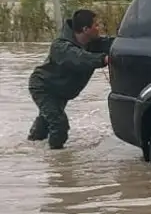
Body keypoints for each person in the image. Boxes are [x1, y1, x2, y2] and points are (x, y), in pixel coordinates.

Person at [28, 9, 113, 149]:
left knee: (45, 123)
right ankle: (56, 158)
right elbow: (79, 59)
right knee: (59, 124)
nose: (100, 28)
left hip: (61, 89)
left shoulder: (93, 43)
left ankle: (31, 151)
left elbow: (112, 43)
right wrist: (103, 59)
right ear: (85, 29)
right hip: (44, 87)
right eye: (96, 25)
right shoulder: (60, 47)